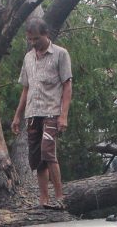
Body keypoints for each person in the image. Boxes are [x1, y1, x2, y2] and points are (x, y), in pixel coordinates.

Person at [11, 18, 72, 208]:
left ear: (46, 35)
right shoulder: (28, 57)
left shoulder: (60, 54)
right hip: (32, 113)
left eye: (36, 38)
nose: (33, 42)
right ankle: (44, 200)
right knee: (37, 158)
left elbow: (67, 86)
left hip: (51, 111)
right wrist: (17, 116)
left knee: (48, 152)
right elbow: (25, 89)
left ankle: (60, 197)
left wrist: (64, 115)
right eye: (30, 39)